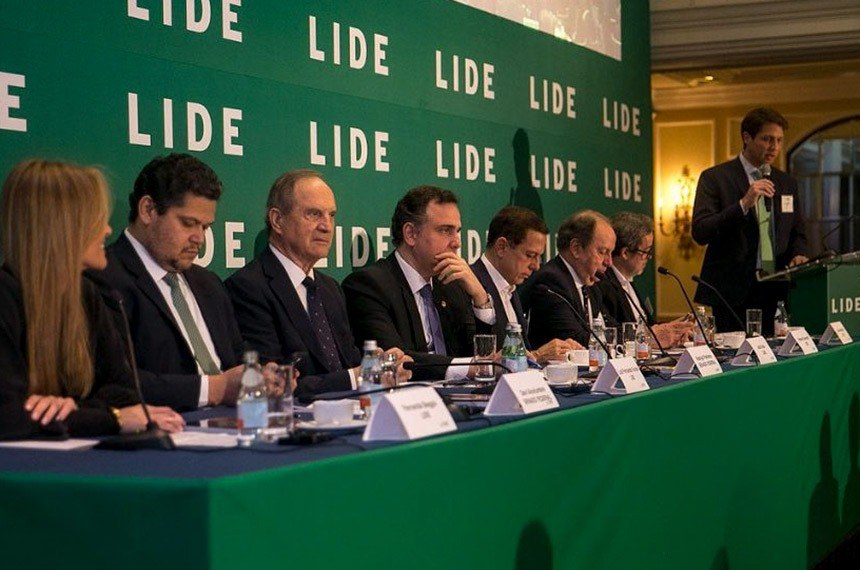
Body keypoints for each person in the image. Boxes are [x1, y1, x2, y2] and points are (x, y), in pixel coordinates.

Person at [0, 159, 184, 439]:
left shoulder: (88, 293)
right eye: (96, 219)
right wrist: (110, 418)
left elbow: (125, 393)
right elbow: (9, 416)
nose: (107, 230)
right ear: (61, 226)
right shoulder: (6, 296)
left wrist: (72, 409)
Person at [226, 170, 411, 400]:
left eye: (331, 215)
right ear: (277, 221)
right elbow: (273, 385)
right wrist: (359, 376)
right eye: (313, 214)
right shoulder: (248, 288)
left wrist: (379, 365)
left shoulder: (330, 288)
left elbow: (349, 363)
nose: (327, 226)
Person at [92, 154, 246, 411]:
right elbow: (113, 382)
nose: (199, 239)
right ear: (148, 210)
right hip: (169, 424)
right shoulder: (103, 278)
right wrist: (214, 389)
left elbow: (237, 360)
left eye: (205, 227)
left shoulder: (209, 284)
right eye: (188, 223)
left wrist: (260, 376)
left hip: (237, 421)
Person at [343, 185, 495, 380]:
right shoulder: (368, 286)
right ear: (411, 234)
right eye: (445, 230)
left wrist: (480, 297)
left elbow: (483, 357)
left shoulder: (452, 284)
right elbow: (396, 360)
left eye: (457, 231)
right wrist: (467, 368)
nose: (457, 242)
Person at [692, 107, 808, 335]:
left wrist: (799, 253)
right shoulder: (715, 178)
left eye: (779, 140)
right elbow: (701, 230)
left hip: (778, 289)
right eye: (767, 139)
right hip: (732, 292)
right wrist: (743, 204)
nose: (774, 147)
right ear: (747, 137)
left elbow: (797, 233)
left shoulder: (786, 183)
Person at [471, 206, 582, 363]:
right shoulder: (470, 285)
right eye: (530, 255)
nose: (536, 266)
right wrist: (537, 355)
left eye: (539, 257)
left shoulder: (511, 287)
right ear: (501, 247)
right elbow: (485, 358)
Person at [595, 211, 692, 348]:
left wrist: (673, 329)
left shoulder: (628, 282)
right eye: (645, 251)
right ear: (625, 253)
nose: (648, 257)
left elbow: (650, 327)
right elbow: (612, 333)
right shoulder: (602, 284)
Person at [524, 210, 616, 348]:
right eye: (602, 252)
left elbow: (611, 327)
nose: (609, 262)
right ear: (576, 248)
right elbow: (576, 339)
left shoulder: (592, 284)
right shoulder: (551, 281)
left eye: (611, 253)